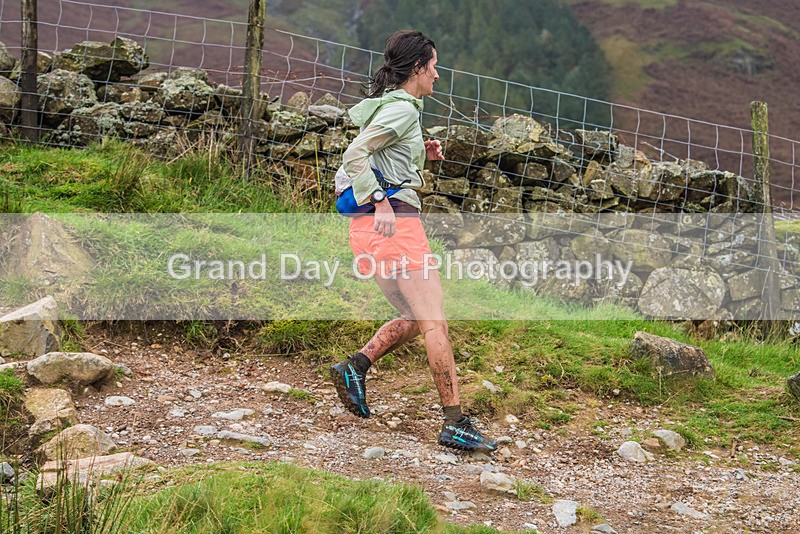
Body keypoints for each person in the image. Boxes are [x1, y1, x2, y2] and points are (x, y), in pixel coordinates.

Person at [330, 30, 497, 454]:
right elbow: (355, 154)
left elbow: (382, 154)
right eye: (434, 66)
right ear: (418, 68)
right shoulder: (402, 108)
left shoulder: (388, 106)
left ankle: (355, 367)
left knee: (413, 315)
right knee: (435, 322)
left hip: (366, 231)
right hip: (394, 227)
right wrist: (381, 201)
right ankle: (454, 423)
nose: (437, 75)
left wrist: (418, 152)